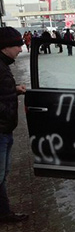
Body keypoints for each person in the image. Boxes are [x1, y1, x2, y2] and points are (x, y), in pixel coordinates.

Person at [0, 27, 29, 223]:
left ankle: (4, 212)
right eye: (17, 45)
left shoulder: (3, 65)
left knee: (2, 175)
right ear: (5, 47)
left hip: (5, 130)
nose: (21, 49)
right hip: (0, 131)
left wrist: (15, 89)